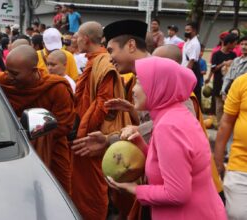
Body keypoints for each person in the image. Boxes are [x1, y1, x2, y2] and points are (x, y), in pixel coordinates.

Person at [107, 56, 227, 220]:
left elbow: (177, 193)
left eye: (140, 82)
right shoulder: (174, 114)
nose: (134, 90)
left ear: (159, 86)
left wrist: (134, 189)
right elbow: (173, 163)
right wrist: (141, 145)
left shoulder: (168, 127)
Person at [0, 45, 75, 195]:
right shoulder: (1, 81)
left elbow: (65, 124)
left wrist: (32, 128)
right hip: (12, 149)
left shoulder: (56, 87)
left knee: (57, 195)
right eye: (7, 71)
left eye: (15, 73)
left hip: (52, 153)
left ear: (33, 70)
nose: (9, 76)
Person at [71, 21, 130, 220]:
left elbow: (104, 103)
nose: (74, 39)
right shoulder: (92, 60)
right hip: (86, 130)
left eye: (77, 36)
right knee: (83, 185)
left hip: (93, 134)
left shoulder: (103, 63)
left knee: (93, 187)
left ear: (85, 39)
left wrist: (83, 131)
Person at [214, 74, 247, 220]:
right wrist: (218, 159)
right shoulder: (242, 82)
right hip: (241, 166)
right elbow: (226, 123)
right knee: (238, 214)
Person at [206, 33, 237, 123]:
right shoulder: (216, 54)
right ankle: (220, 126)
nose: (235, 46)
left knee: (228, 106)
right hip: (218, 83)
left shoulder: (233, 55)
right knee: (219, 107)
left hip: (229, 85)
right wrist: (224, 63)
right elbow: (213, 69)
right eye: (234, 43)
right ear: (229, 43)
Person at [182, 22, 202, 106]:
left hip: (191, 69)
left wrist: (185, 74)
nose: (186, 32)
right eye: (185, 30)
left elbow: (191, 60)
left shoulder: (195, 43)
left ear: (194, 31)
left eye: (188, 30)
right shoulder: (188, 42)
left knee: (193, 93)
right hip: (185, 67)